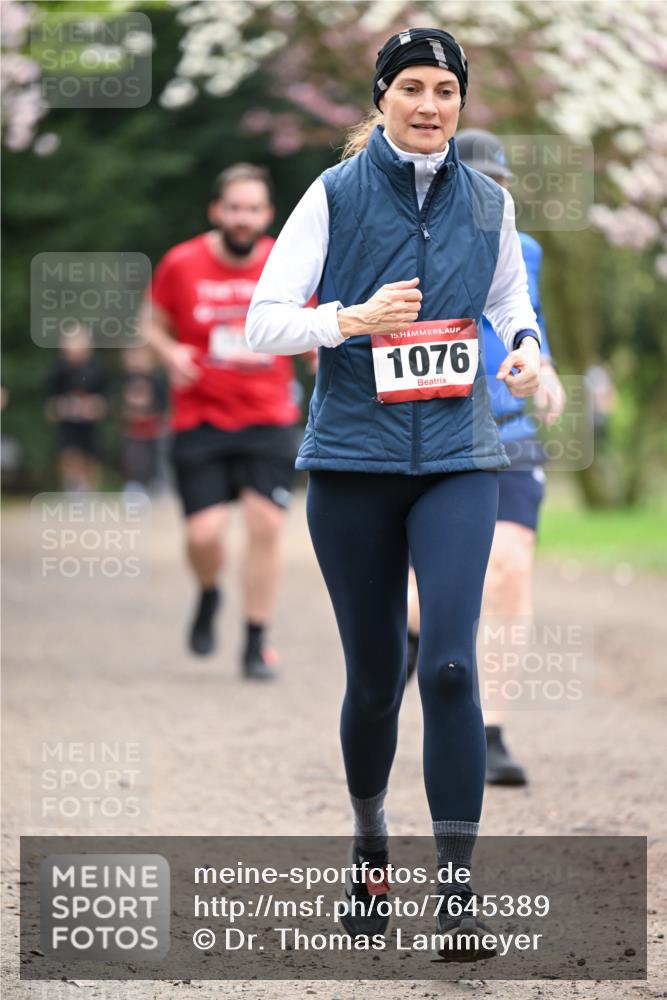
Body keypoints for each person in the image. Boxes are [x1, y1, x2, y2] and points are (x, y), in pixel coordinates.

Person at [247, 28, 542, 960]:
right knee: (377, 681)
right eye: (410, 87)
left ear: (461, 102)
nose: (428, 105)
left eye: (444, 90)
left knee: (449, 667)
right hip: (352, 467)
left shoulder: (488, 201)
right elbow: (264, 322)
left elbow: (507, 308)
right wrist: (350, 320)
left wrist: (526, 350)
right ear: (379, 98)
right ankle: (370, 844)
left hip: (458, 458)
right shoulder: (332, 196)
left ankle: (456, 895)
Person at [405, 129, 567, 787]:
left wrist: (544, 369)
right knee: (424, 598)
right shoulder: (401, 245)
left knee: (506, 570)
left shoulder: (521, 248)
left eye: (498, 187)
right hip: (426, 428)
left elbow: (524, 321)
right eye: (477, 186)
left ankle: (489, 729)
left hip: (505, 428)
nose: (489, 199)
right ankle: (416, 641)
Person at [142, 164, 311, 680]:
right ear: (217, 211)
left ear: (267, 213)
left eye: (254, 209)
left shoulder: (287, 261)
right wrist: (170, 352)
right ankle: (210, 592)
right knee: (203, 535)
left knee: (266, 525)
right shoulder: (181, 262)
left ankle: (257, 642)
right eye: (234, 208)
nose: (244, 218)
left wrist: (319, 355)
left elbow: (311, 323)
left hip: (267, 417)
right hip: (201, 418)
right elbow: (151, 322)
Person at [44, 326, 110, 494]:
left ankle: (92, 490)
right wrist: (62, 406)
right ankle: (73, 487)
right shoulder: (57, 370)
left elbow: (107, 400)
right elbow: (49, 403)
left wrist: (95, 406)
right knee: (69, 454)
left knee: (92, 456)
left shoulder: (98, 368)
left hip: (90, 424)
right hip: (67, 423)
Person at [118, 345, 169, 495]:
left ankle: (155, 483)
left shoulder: (157, 379)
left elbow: (163, 403)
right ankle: (135, 484)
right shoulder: (124, 380)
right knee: (134, 458)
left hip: (153, 428)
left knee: (155, 458)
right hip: (133, 430)